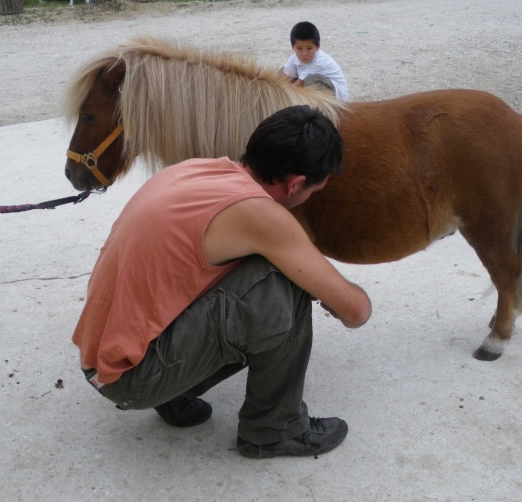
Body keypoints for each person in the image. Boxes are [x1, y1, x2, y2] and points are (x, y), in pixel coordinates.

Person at [72, 105, 371, 459]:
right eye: (312, 191)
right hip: (130, 380)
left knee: (256, 270)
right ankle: (275, 429)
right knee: (283, 280)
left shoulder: (198, 170)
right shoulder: (258, 214)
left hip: (104, 361)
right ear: (294, 184)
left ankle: (174, 395)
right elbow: (357, 312)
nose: (308, 199)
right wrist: (335, 294)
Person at [283, 21, 350, 101]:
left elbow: (299, 84)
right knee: (282, 72)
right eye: (299, 48)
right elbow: (285, 78)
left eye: (309, 48)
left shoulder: (320, 61)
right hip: (313, 85)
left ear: (317, 47)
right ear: (293, 47)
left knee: (310, 80)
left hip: (337, 96)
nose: (304, 54)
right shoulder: (294, 57)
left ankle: (322, 110)